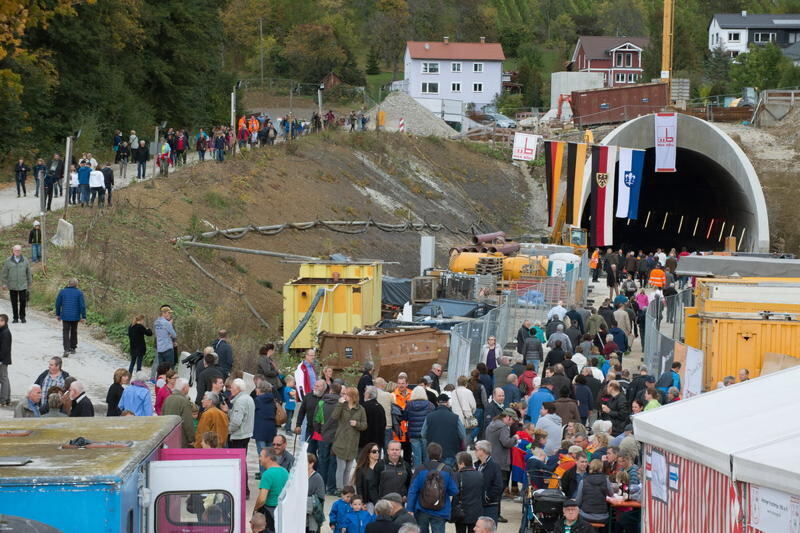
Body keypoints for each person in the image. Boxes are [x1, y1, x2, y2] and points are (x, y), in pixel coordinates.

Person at [405, 442, 459, 533]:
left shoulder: (420, 469)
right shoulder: (447, 469)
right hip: (441, 510)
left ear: (428, 454)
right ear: (440, 454)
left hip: (422, 509)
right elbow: (454, 491)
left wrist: (410, 508)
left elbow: (412, 490)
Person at [334, 387, 368, 490]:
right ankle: (339, 489)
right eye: (344, 394)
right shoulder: (342, 406)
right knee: (341, 467)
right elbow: (334, 417)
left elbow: (364, 425)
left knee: (348, 468)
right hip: (341, 440)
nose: (344, 396)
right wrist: (339, 404)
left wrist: (357, 424)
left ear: (353, 396)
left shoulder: (361, 409)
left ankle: (346, 488)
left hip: (353, 442)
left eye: (347, 394)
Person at [422, 394, 466, 467]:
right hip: (450, 452)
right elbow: (462, 435)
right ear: (447, 403)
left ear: (437, 403)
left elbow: (423, 434)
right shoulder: (455, 417)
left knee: (432, 476)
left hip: (433, 453)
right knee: (447, 474)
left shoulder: (429, 417)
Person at [228, 378, 255, 491]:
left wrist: (228, 431)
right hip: (246, 434)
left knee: (238, 463)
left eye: (232, 387)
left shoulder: (240, 401)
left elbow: (236, 422)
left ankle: (243, 489)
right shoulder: (248, 398)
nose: (230, 390)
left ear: (238, 389)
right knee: (242, 461)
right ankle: (244, 489)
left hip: (239, 436)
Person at [486, 409, 519, 501]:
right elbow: (506, 443)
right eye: (513, 420)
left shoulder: (491, 424)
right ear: (508, 417)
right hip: (501, 461)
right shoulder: (503, 427)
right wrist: (515, 438)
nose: (512, 423)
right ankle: (496, 513)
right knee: (499, 489)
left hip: (491, 459)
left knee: (492, 489)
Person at [255, 448, 290, 530]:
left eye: (261, 456)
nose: (259, 458)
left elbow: (262, 499)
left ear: (268, 458)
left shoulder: (267, 474)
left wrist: (255, 509)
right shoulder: (285, 471)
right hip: (282, 510)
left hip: (270, 512)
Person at [451, 451, 483, 533]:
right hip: (476, 512)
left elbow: (455, 495)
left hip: (461, 512)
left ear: (462, 463)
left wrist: (452, 510)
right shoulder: (480, 475)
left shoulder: (457, 475)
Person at [1, 245, 33, 324]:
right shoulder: (8, 260)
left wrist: (29, 282)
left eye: (19, 250)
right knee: (14, 302)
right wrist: (4, 283)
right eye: (16, 250)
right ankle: (15, 318)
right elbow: (4, 273)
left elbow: (28, 272)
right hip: (12, 285)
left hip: (23, 284)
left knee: (23, 301)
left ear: (21, 251)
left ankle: (22, 317)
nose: (17, 252)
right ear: (13, 251)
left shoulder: (25, 260)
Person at [474, 440, 503, 522]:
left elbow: (499, 486)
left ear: (483, 451)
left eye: (476, 449)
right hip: (478, 505)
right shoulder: (476, 465)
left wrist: (487, 497)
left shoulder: (494, 466)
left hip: (490, 506)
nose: (475, 451)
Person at [406, 384, 434, 466]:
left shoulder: (409, 405)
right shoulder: (430, 405)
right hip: (425, 434)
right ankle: (427, 474)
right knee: (426, 456)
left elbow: (405, 417)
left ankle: (418, 473)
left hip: (413, 434)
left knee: (416, 456)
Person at [162, 378, 195, 446]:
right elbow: (187, 422)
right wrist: (191, 439)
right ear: (184, 388)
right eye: (188, 386)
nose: (189, 388)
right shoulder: (184, 401)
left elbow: (162, 415)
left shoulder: (168, 398)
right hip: (180, 438)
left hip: (167, 436)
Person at [353, 443, 381, 511]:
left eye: (378, 451)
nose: (377, 453)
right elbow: (359, 487)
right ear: (368, 453)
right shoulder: (361, 469)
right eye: (374, 451)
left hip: (381, 502)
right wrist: (361, 503)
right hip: (368, 503)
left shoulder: (382, 467)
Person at [361, 386, 388, 450]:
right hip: (378, 441)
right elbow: (384, 423)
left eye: (365, 392)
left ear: (368, 394)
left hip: (365, 441)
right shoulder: (380, 407)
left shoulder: (363, 407)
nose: (363, 394)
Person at [307, 454, 327, 533]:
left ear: (311, 464)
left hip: (312, 514)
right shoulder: (299, 476)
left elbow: (320, 498)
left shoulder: (317, 477)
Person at [154, 305, 177, 370]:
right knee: (169, 368)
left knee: (161, 368)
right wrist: (170, 325)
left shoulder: (156, 322)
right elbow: (174, 335)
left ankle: (159, 379)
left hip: (160, 348)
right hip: (168, 348)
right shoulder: (166, 323)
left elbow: (159, 334)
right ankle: (168, 380)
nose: (170, 314)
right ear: (163, 313)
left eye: (170, 313)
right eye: (168, 313)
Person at [0, 314, 8, 406]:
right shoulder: (2, 330)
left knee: (3, 379)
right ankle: (6, 399)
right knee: (5, 378)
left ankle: (3, 400)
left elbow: (4, 348)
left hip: (2, 360)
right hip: (3, 359)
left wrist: (1, 359)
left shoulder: (5, 332)